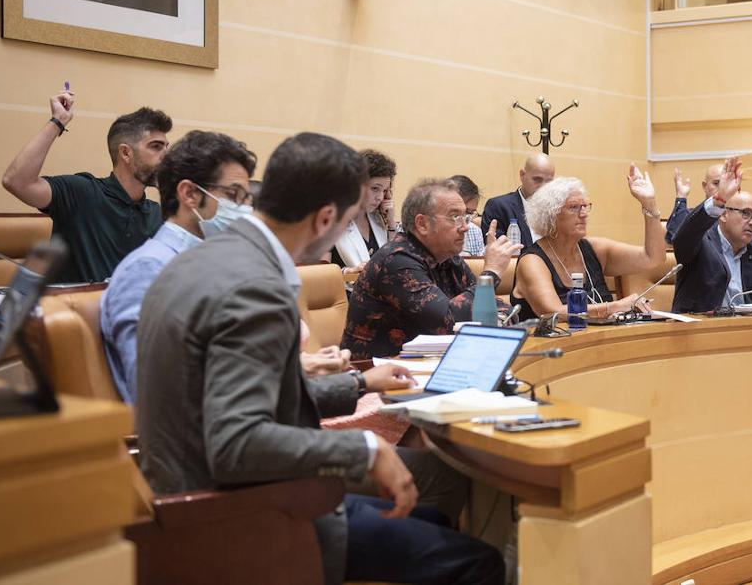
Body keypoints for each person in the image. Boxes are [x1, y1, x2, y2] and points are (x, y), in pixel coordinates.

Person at [136, 133, 503, 584]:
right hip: (238, 511)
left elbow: (253, 391)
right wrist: (363, 448)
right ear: (326, 216)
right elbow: (237, 444)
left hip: (194, 487)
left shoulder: (206, 258)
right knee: (479, 560)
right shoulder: (255, 285)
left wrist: (359, 385)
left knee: (436, 522)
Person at [100, 131, 257, 402]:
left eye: (245, 199)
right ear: (190, 194)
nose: (244, 210)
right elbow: (155, 388)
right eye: (233, 195)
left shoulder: (214, 264)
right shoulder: (148, 270)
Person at [1, 87, 171, 283]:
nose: (167, 156)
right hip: (73, 310)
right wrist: (58, 121)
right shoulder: (81, 192)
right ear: (126, 153)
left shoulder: (157, 214)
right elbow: (16, 181)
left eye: (167, 147)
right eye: (156, 147)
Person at [343, 180, 520, 359]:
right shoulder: (396, 261)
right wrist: (491, 273)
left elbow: (503, 307)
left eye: (465, 217)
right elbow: (446, 322)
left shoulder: (448, 258)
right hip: (377, 373)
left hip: (427, 364)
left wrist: (496, 321)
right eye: (454, 217)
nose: (465, 227)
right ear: (422, 224)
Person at [509, 165, 665, 320]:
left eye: (585, 206)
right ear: (550, 215)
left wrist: (649, 203)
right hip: (551, 343)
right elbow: (553, 312)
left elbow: (653, 258)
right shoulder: (532, 261)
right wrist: (617, 306)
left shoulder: (596, 249)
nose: (583, 214)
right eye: (574, 207)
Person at [671, 156, 752, 313]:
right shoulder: (701, 244)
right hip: (700, 331)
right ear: (724, 215)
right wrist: (718, 201)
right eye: (745, 213)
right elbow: (684, 236)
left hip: (744, 332)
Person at [332, 149, 397, 271]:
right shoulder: (331, 220)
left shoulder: (379, 218)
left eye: (384, 191)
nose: (380, 197)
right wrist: (349, 271)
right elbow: (320, 272)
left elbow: (396, 263)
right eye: (375, 188)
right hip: (345, 289)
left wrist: (391, 223)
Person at [480, 153, 555, 246]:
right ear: (522, 175)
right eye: (537, 180)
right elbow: (497, 248)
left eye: (549, 182)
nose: (543, 186)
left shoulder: (556, 209)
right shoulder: (499, 207)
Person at [665, 162, 724, 242]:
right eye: (716, 183)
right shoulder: (693, 215)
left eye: (725, 184)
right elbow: (674, 237)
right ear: (704, 186)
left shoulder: (739, 215)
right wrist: (681, 197)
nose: (721, 188)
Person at [447, 175, 486, 256]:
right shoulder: (433, 235)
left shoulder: (474, 231)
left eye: (470, 214)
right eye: (456, 215)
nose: (465, 227)